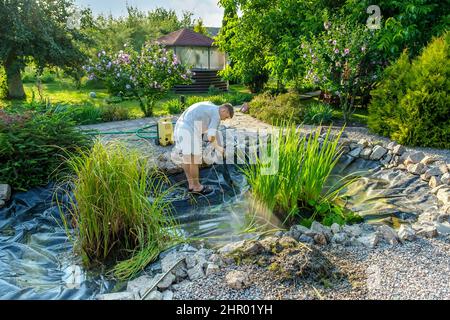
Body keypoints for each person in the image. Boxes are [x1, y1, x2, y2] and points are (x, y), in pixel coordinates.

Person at [173, 101, 234, 195]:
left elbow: (207, 128)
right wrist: (219, 148)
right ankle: (197, 187)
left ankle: (191, 185)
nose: (224, 120)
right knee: (194, 160)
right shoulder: (216, 115)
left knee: (186, 158)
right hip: (189, 130)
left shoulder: (210, 105)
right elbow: (210, 137)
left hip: (179, 128)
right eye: (226, 117)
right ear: (224, 110)